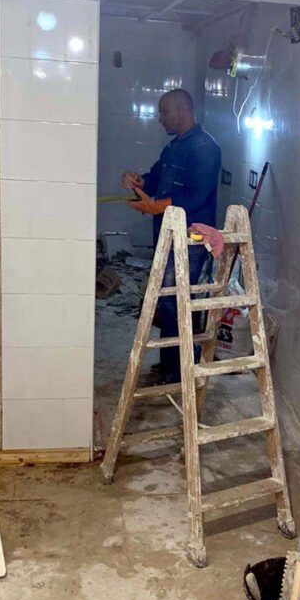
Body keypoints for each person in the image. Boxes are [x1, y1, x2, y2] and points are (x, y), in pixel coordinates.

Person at [121, 88, 221, 384]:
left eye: (164, 112)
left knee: (175, 302)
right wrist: (136, 181)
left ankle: (181, 371)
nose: (160, 119)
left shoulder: (205, 147)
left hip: (191, 239)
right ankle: (169, 366)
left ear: (182, 109)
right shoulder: (174, 147)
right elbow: (153, 181)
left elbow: (195, 195)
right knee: (168, 301)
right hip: (168, 234)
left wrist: (157, 206)